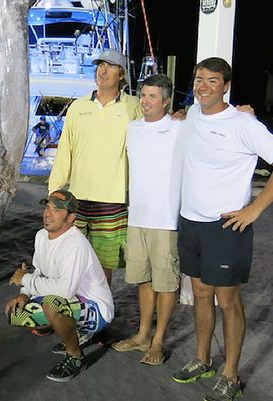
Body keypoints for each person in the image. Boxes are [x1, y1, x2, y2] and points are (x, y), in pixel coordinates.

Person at [172, 57, 273, 401]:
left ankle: (231, 374)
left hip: (226, 226)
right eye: (199, 79)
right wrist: (180, 115)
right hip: (191, 222)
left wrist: (254, 210)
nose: (202, 86)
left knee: (227, 301)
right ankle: (202, 358)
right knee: (201, 293)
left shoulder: (243, 124)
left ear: (226, 86)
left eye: (212, 81)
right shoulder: (193, 114)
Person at [48, 49, 141, 286]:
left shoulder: (135, 107)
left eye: (110, 66)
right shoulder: (78, 107)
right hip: (77, 199)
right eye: (100, 65)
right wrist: (54, 193)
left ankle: (100, 315)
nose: (103, 70)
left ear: (121, 74)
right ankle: (73, 313)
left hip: (112, 199)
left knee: (102, 267)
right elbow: (64, 152)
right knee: (71, 261)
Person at [6, 190, 114, 382]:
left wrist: (26, 279)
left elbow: (65, 290)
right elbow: (38, 272)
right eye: (47, 206)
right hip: (71, 300)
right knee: (17, 314)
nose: (48, 213)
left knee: (52, 304)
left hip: (97, 309)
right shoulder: (41, 236)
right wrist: (24, 293)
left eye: (56, 210)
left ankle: (75, 356)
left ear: (71, 218)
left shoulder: (75, 244)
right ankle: (70, 331)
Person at [111, 74, 181, 366]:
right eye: (143, 95)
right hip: (137, 216)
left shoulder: (180, 128)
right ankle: (142, 335)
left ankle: (159, 340)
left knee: (166, 283)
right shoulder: (133, 128)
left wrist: (244, 110)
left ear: (166, 101)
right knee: (143, 280)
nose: (146, 101)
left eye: (153, 96)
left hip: (166, 220)